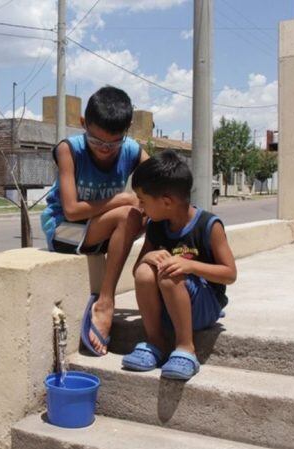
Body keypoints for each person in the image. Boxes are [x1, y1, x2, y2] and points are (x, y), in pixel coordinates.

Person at [41, 86, 148, 356]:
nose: (104, 150)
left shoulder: (132, 150)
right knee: (128, 211)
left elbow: (160, 186)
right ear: (83, 124)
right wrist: (123, 199)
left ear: (127, 131)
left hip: (100, 230)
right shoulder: (70, 149)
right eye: (96, 141)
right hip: (65, 230)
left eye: (113, 144)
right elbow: (72, 210)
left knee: (143, 215)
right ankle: (105, 301)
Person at [121, 151, 237, 380]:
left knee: (169, 273)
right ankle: (157, 342)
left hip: (204, 307)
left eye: (143, 200)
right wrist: (148, 258)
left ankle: (185, 347)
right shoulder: (156, 226)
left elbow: (229, 274)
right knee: (146, 272)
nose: (140, 207)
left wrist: (190, 266)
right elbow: (137, 272)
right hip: (168, 307)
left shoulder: (208, 225)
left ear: (166, 202)